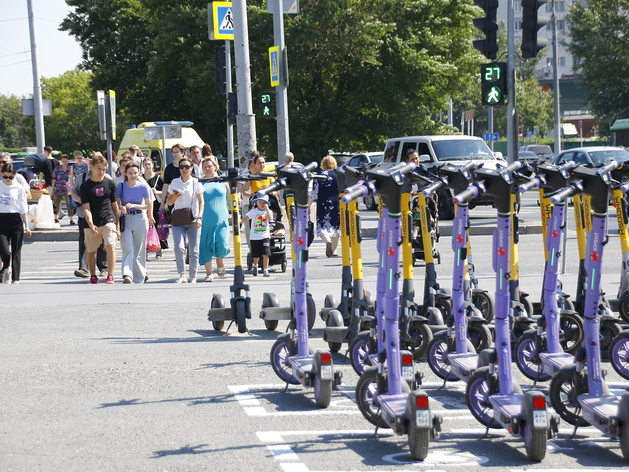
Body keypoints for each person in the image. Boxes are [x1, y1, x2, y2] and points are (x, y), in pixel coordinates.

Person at [80, 153, 120, 284]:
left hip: (108, 220)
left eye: (104, 169)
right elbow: (86, 208)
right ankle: (93, 275)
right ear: (92, 167)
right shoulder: (85, 186)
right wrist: (91, 224)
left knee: (110, 246)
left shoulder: (110, 183)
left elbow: (115, 206)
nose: (102, 172)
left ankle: (110, 275)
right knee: (91, 251)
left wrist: (118, 226)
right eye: (99, 169)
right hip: (92, 223)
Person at [167, 157, 204, 283]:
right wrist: (175, 196)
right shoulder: (174, 182)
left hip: (193, 219)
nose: (184, 169)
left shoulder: (196, 182)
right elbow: (169, 202)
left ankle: (193, 276)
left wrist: (199, 217)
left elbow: (201, 202)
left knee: (194, 249)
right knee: (179, 246)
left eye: (186, 167)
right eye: (181, 167)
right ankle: (182, 274)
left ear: (191, 168)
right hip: (178, 219)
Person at [71, 155, 109, 278]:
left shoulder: (107, 178)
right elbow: (73, 192)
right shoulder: (82, 178)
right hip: (84, 215)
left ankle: (103, 268)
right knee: (84, 242)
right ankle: (83, 268)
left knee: (103, 243)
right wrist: (80, 200)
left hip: (102, 215)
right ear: (91, 166)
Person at [118, 163, 153, 284]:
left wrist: (134, 205)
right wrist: (121, 208)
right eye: (130, 173)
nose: (133, 175)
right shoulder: (121, 186)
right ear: (126, 174)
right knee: (127, 247)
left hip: (140, 218)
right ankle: (127, 274)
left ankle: (139, 277)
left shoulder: (143, 187)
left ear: (139, 173)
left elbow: (148, 205)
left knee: (140, 249)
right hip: (126, 218)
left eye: (135, 173)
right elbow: (117, 203)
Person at [199, 156, 230, 282]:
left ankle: (220, 259)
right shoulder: (200, 182)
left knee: (222, 244)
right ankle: (208, 273)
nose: (207, 168)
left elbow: (230, 198)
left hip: (222, 218)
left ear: (216, 167)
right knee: (205, 245)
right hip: (206, 219)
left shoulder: (223, 181)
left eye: (209, 166)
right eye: (205, 167)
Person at [0, 163, 31, 284]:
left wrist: (27, 226)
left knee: (16, 250)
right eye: (5, 177)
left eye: (10, 177)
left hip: (15, 219)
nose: (7, 179)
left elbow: (23, 208)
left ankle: (15, 278)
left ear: (15, 175)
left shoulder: (19, 188)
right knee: (4, 250)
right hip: (1, 219)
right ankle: (6, 267)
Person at [309, 155, 341, 257]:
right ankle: (334, 251)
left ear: (323, 164)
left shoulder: (319, 176)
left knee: (322, 226)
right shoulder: (338, 175)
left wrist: (308, 206)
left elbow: (314, 193)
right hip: (336, 203)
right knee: (336, 228)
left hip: (323, 203)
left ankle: (327, 242)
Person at [241, 194, 272, 277]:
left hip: (264, 236)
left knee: (266, 253)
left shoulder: (267, 211)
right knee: (256, 254)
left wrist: (267, 209)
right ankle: (255, 265)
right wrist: (240, 221)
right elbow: (246, 218)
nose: (262, 204)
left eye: (264, 203)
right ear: (257, 202)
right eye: (260, 202)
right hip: (255, 237)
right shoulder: (254, 211)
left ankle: (266, 269)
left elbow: (270, 218)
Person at [142, 157, 165, 259]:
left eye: (149, 164)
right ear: (143, 166)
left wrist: (156, 192)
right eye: (146, 164)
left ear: (153, 165)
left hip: (156, 205)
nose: (147, 166)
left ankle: (158, 248)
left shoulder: (158, 178)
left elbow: (165, 192)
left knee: (156, 227)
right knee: (144, 227)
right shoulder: (141, 178)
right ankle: (145, 250)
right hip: (144, 205)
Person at [161, 143, 188, 213]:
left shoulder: (189, 166)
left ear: (182, 153)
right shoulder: (169, 168)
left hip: (187, 197)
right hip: (174, 198)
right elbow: (165, 186)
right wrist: (162, 203)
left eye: (177, 152)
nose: (175, 154)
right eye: (173, 152)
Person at [52, 154, 74, 224]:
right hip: (58, 188)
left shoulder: (70, 168)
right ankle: (56, 218)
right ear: (61, 161)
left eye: (66, 161)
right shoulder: (57, 169)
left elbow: (71, 178)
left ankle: (71, 219)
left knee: (69, 204)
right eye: (63, 161)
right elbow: (54, 179)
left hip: (67, 188)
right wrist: (53, 189)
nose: (65, 162)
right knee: (57, 203)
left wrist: (72, 187)